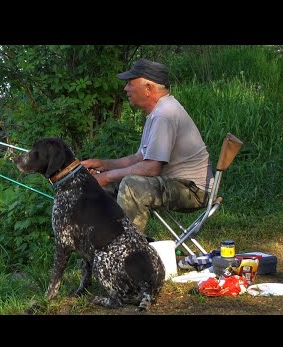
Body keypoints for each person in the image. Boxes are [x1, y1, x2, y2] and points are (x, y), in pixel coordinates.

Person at [81, 58, 214, 234]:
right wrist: (103, 165)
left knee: (131, 185)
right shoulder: (157, 113)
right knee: (104, 186)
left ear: (148, 88)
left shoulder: (164, 114)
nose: (125, 89)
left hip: (193, 190)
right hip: (177, 184)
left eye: (130, 83)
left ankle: (128, 253)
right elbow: (138, 159)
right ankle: (103, 245)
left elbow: (151, 168)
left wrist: (107, 176)